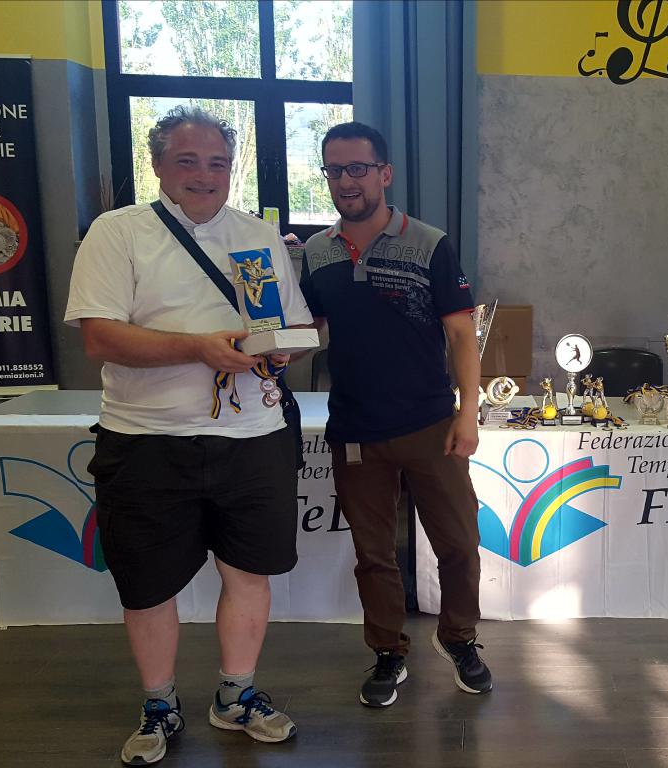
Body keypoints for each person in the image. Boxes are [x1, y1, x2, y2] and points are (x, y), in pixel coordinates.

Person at [64, 106, 311, 765]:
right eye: (188, 161)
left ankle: (236, 696)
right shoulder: (118, 233)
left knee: (249, 574)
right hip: (146, 438)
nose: (205, 175)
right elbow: (100, 338)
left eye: (218, 163)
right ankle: (159, 705)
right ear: (158, 165)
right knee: (147, 585)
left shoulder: (256, 236)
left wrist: (279, 350)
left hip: (253, 434)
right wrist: (199, 348)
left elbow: (286, 327)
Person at [299, 121, 491, 708]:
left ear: (384, 173)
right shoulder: (316, 252)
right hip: (355, 429)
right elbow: (312, 329)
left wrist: (468, 411)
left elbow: (461, 333)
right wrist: (265, 340)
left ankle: (458, 638)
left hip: (431, 424)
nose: (346, 181)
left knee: (459, 544)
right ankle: (388, 651)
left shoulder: (430, 243)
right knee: (374, 555)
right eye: (334, 170)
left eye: (357, 168)